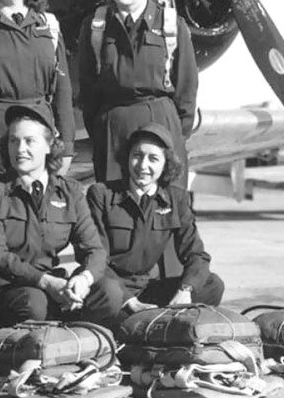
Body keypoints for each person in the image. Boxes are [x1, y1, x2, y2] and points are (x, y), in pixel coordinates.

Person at [0, 0, 76, 276]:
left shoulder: (49, 25)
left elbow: (62, 87)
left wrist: (66, 145)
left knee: (36, 216)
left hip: (37, 128)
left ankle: (41, 290)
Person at [0, 104, 121, 328]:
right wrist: (44, 282)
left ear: (49, 145)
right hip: (8, 287)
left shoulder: (70, 191)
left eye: (29, 141)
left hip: (54, 286)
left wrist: (83, 280)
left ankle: (74, 343)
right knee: (35, 303)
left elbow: (95, 250)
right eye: (14, 141)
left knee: (109, 293)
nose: (20, 149)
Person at [86, 123, 223, 320]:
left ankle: (155, 320)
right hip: (111, 287)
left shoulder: (176, 199)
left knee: (212, 285)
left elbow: (197, 255)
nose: (143, 166)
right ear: (127, 158)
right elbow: (94, 256)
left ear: (166, 164)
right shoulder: (101, 195)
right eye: (137, 156)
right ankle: (147, 318)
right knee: (109, 292)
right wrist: (128, 300)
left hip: (147, 288)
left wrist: (185, 290)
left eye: (153, 158)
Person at [78, 0, 198, 187]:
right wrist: (103, 132)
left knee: (165, 207)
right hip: (113, 129)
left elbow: (187, 86)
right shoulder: (95, 26)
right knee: (114, 207)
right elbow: (87, 87)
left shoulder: (171, 24)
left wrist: (173, 136)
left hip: (161, 124)